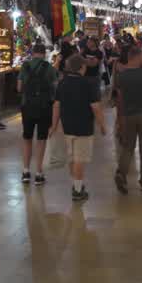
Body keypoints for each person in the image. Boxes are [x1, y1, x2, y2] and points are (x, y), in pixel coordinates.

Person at [50, 54, 105, 202]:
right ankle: (78, 190)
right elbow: (96, 107)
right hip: (84, 126)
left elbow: (56, 105)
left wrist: (54, 125)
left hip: (67, 125)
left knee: (72, 158)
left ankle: (76, 184)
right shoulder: (88, 84)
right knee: (80, 158)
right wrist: (102, 125)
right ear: (81, 67)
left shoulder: (62, 83)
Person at [112, 44, 142, 194]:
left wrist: (119, 119)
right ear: (137, 57)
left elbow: (119, 98)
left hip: (127, 115)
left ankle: (121, 173)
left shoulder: (121, 76)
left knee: (127, 147)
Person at [17, 42, 57, 185]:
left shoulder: (25, 66)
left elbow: (19, 87)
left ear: (33, 53)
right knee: (41, 140)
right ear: (44, 54)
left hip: (27, 106)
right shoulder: (49, 68)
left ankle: (26, 171)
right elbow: (55, 88)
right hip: (44, 107)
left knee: (27, 138)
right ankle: (39, 173)